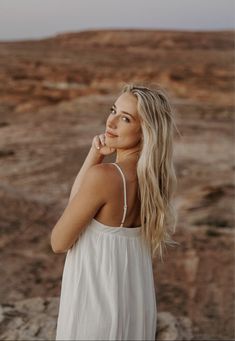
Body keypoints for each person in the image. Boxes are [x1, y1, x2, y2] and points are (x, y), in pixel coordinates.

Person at [51, 83, 178, 340]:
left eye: (125, 118)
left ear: (145, 130)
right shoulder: (154, 182)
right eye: (113, 110)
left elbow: (58, 241)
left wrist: (95, 163)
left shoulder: (105, 177)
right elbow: (79, 200)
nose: (111, 121)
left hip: (95, 310)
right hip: (133, 307)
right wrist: (95, 154)